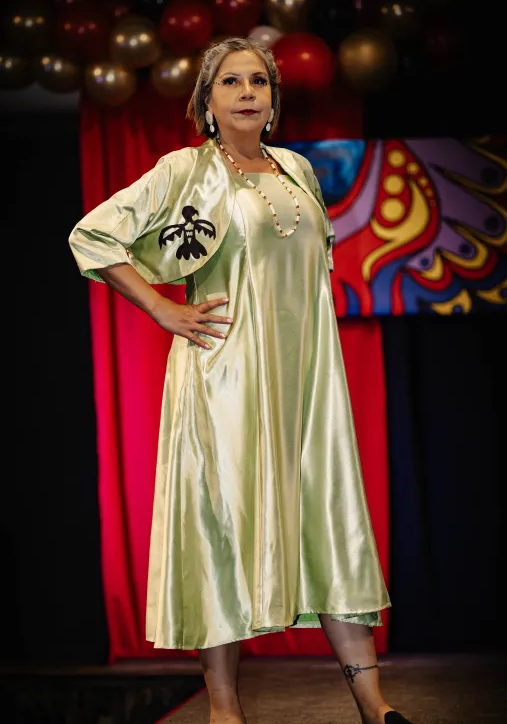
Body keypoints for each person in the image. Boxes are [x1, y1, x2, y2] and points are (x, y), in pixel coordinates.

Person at [69, 37, 414, 724]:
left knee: (328, 521)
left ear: (274, 99)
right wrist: (163, 307)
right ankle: (224, 710)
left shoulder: (295, 169)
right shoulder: (185, 171)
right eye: (231, 82)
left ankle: (373, 705)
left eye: (259, 80)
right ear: (206, 100)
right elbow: (93, 235)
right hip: (223, 380)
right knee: (220, 531)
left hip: (305, 381)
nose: (248, 92)